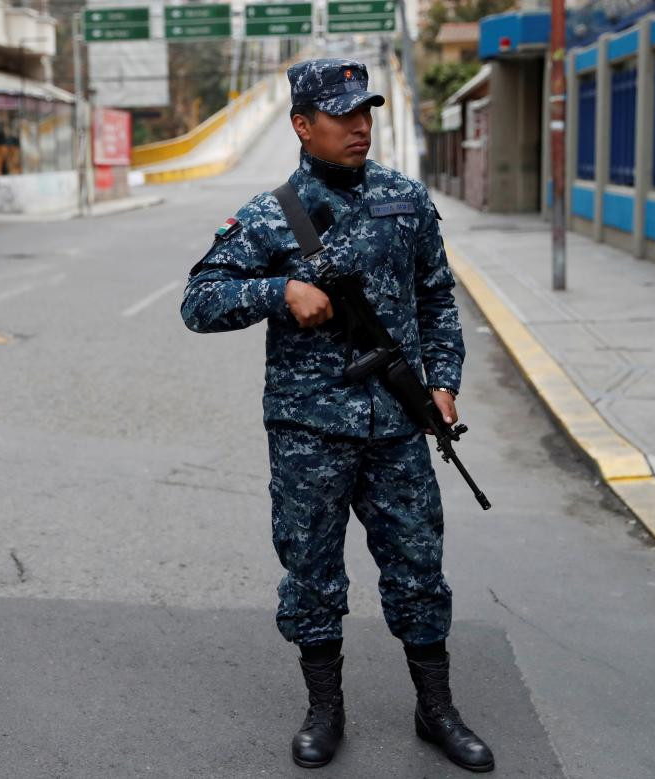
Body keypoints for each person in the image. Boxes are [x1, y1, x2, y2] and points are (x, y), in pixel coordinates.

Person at [180, 59, 495, 773]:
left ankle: (435, 707)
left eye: (367, 112)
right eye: (343, 114)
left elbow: (438, 299)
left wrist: (444, 383)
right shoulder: (269, 214)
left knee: (418, 568)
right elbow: (198, 301)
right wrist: (278, 291)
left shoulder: (406, 201)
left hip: (396, 427)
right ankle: (325, 708)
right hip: (308, 431)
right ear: (302, 125)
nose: (361, 126)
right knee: (313, 574)